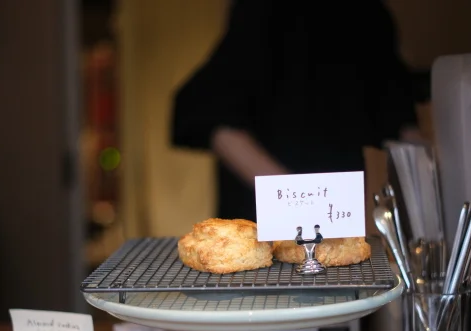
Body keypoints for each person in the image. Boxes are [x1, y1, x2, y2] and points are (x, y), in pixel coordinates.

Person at [172, 0, 419, 221]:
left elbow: (400, 120)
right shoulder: (263, 9)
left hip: (342, 220)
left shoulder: (372, 15)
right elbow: (213, 115)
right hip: (262, 220)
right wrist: (302, 204)